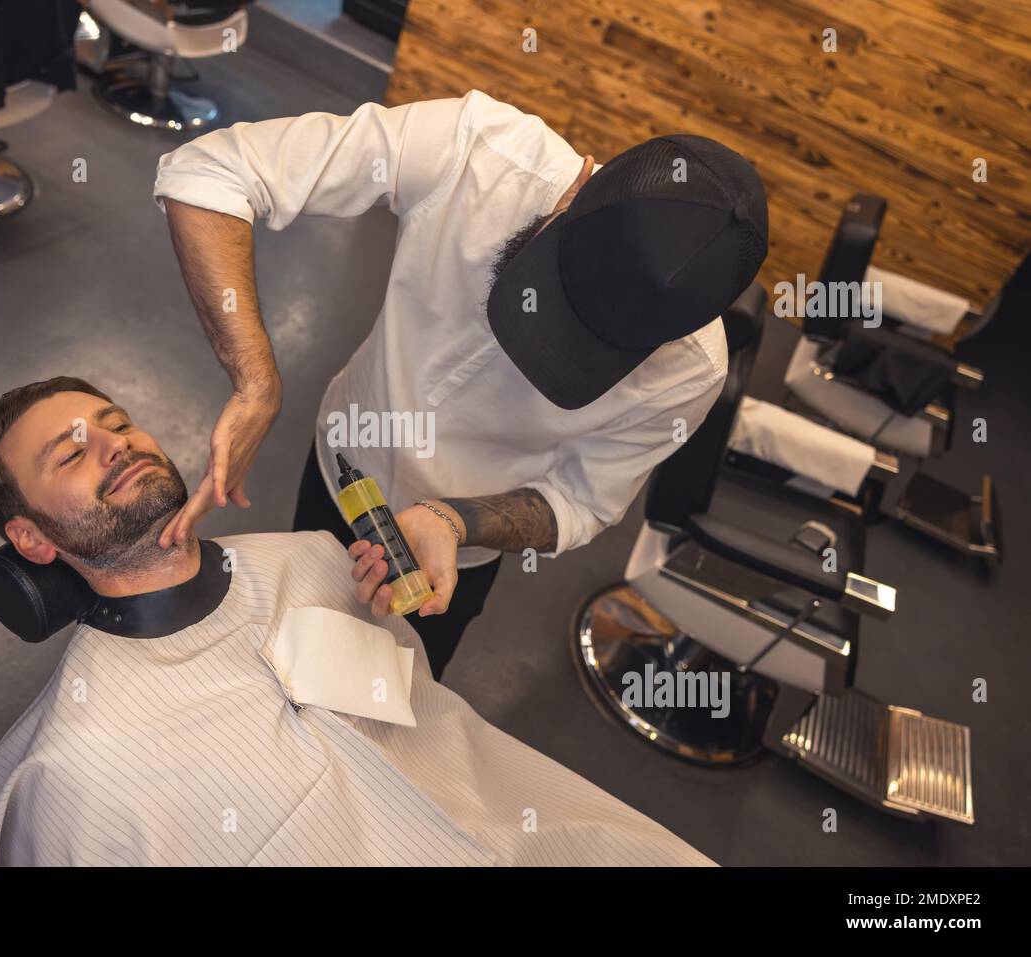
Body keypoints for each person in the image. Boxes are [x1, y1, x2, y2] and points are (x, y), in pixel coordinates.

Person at [0, 377, 714, 866]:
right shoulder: (80, 762)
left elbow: (434, 724)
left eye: (117, 422)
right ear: (32, 539)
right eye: (72, 454)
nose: (117, 443)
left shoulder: (316, 558)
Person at [152, 89, 769, 679]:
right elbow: (208, 173)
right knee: (282, 656)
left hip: (453, 553)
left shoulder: (692, 371)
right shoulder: (474, 149)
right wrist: (255, 382)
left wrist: (453, 522)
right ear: (578, 187)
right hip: (342, 461)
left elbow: (580, 499)